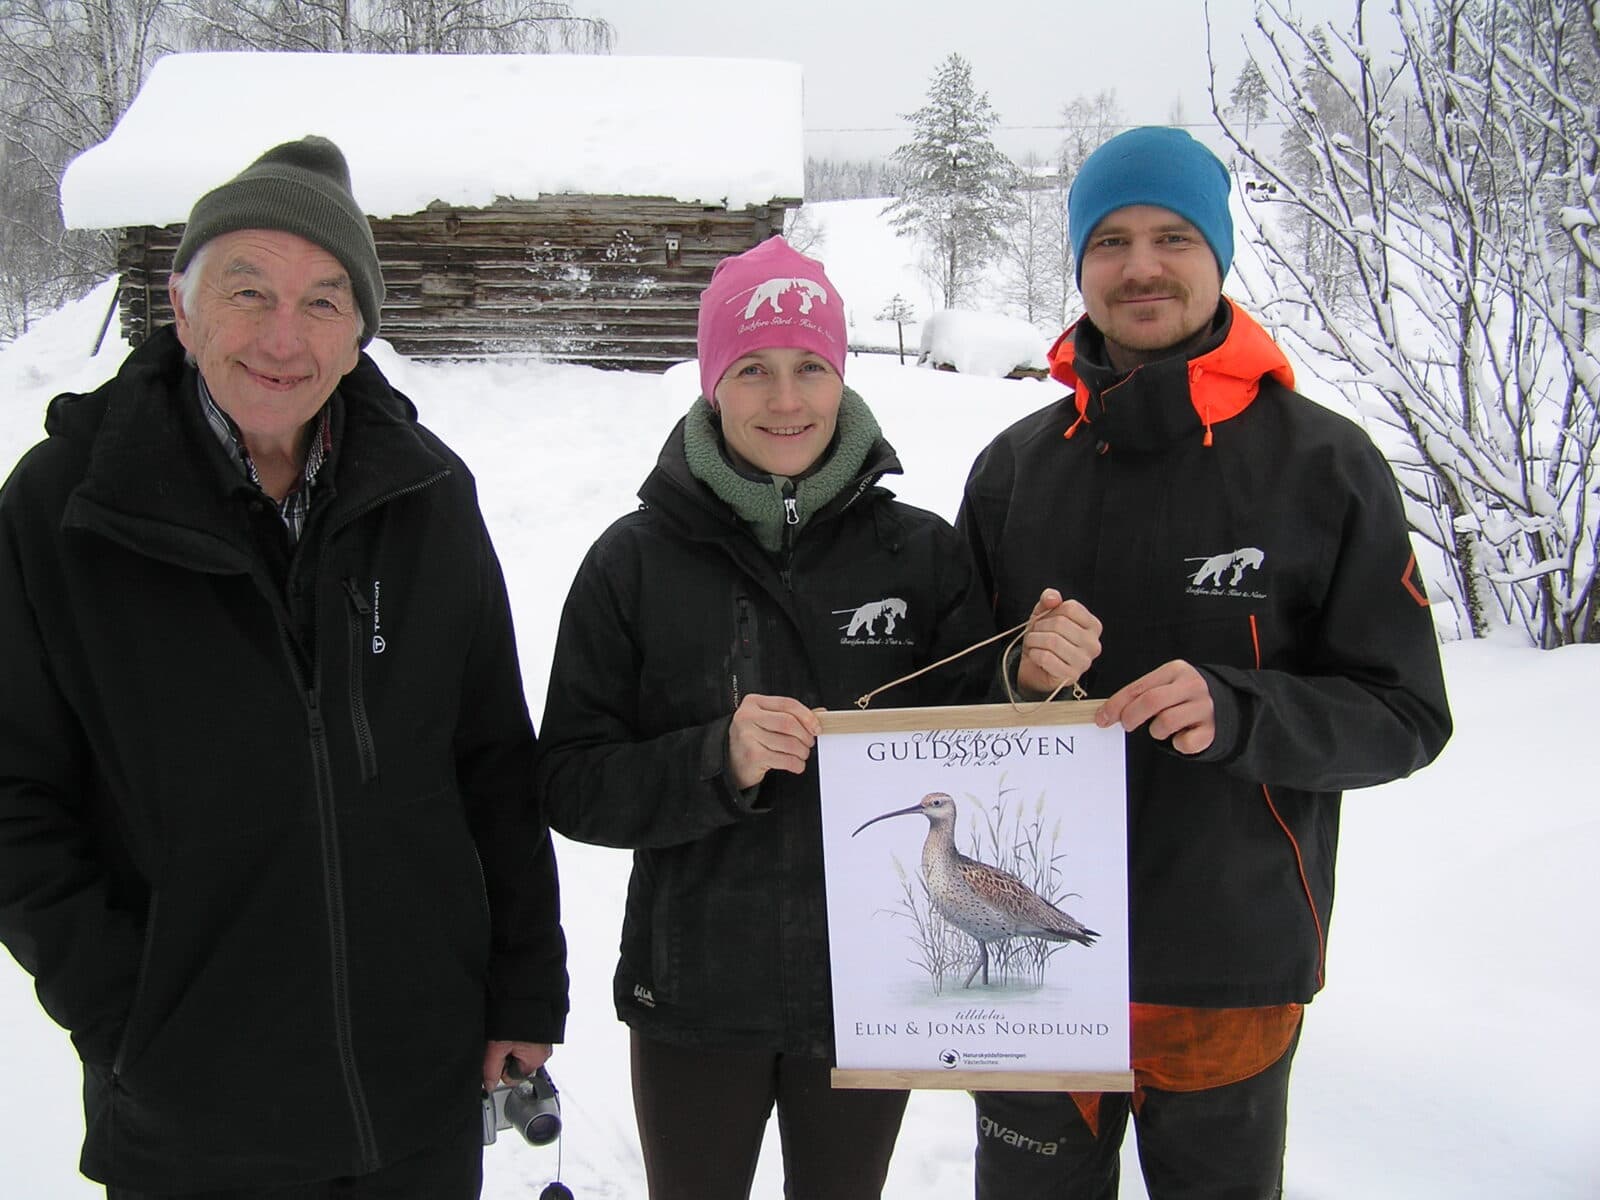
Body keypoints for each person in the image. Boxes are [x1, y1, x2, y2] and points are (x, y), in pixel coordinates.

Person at [0, 135, 568, 1198]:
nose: (280, 336)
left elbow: (492, 758)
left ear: (360, 334)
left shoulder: (426, 496)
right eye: (246, 289)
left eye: (321, 301)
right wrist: (129, 1016)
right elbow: (16, 795)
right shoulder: (63, 510)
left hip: (415, 1095)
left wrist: (522, 990)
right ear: (182, 306)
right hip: (191, 1117)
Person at [957, 127, 1453, 1199]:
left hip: (1224, 959)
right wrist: (1016, 685)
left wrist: (1239, 713)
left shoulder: (1323, 464)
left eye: (1172, 236)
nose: (1141, 266)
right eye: (1112, 241)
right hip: (1030, 969)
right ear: (1081, 268)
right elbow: (943, 719)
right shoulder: (1012, 472)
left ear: (1216, 255)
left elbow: (1403, 712)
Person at [534, 236, 993, 1200]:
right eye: (753, 370)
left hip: (873, 993)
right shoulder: (634, 563)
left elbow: (988, 748)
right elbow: (571, 782)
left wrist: (1035, 682)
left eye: (809, 368)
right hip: (693, 996)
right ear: (712, 385)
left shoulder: (922, 556)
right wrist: (717, 761)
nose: (786, 401)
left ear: (841, 376)